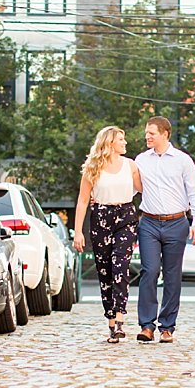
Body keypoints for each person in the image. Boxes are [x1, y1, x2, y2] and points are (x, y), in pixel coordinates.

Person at [132, 115, 195, 343]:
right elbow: (132, 189)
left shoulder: (182, 160)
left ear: (165, 134)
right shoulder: (141, 160)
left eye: (151, 133)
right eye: (146, 133)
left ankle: (167, 327)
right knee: (149, 270)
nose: (147, 136)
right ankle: (146, 325)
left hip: (177, 222)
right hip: (149, 223)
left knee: (172, 276)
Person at [73, 125, 142, 343]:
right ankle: (111, 323)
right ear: (110, 142)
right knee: (105, 271)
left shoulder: (130, 165)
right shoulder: (93, 167)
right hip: (100, 216)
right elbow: (83, 200)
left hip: (126, 216)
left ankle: (121, 319)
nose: (125, 143)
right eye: (121, 139)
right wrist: (78, 232)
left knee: (121, 266)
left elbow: (144, 189)